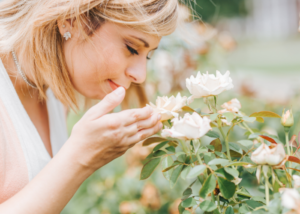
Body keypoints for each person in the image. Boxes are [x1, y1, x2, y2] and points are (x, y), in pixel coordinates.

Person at [0, 0, 179, 213]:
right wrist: (80, 158)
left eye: (148, 55)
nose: (140, 75)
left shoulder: (55, 93)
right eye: (131, 48)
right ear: (70, 19)